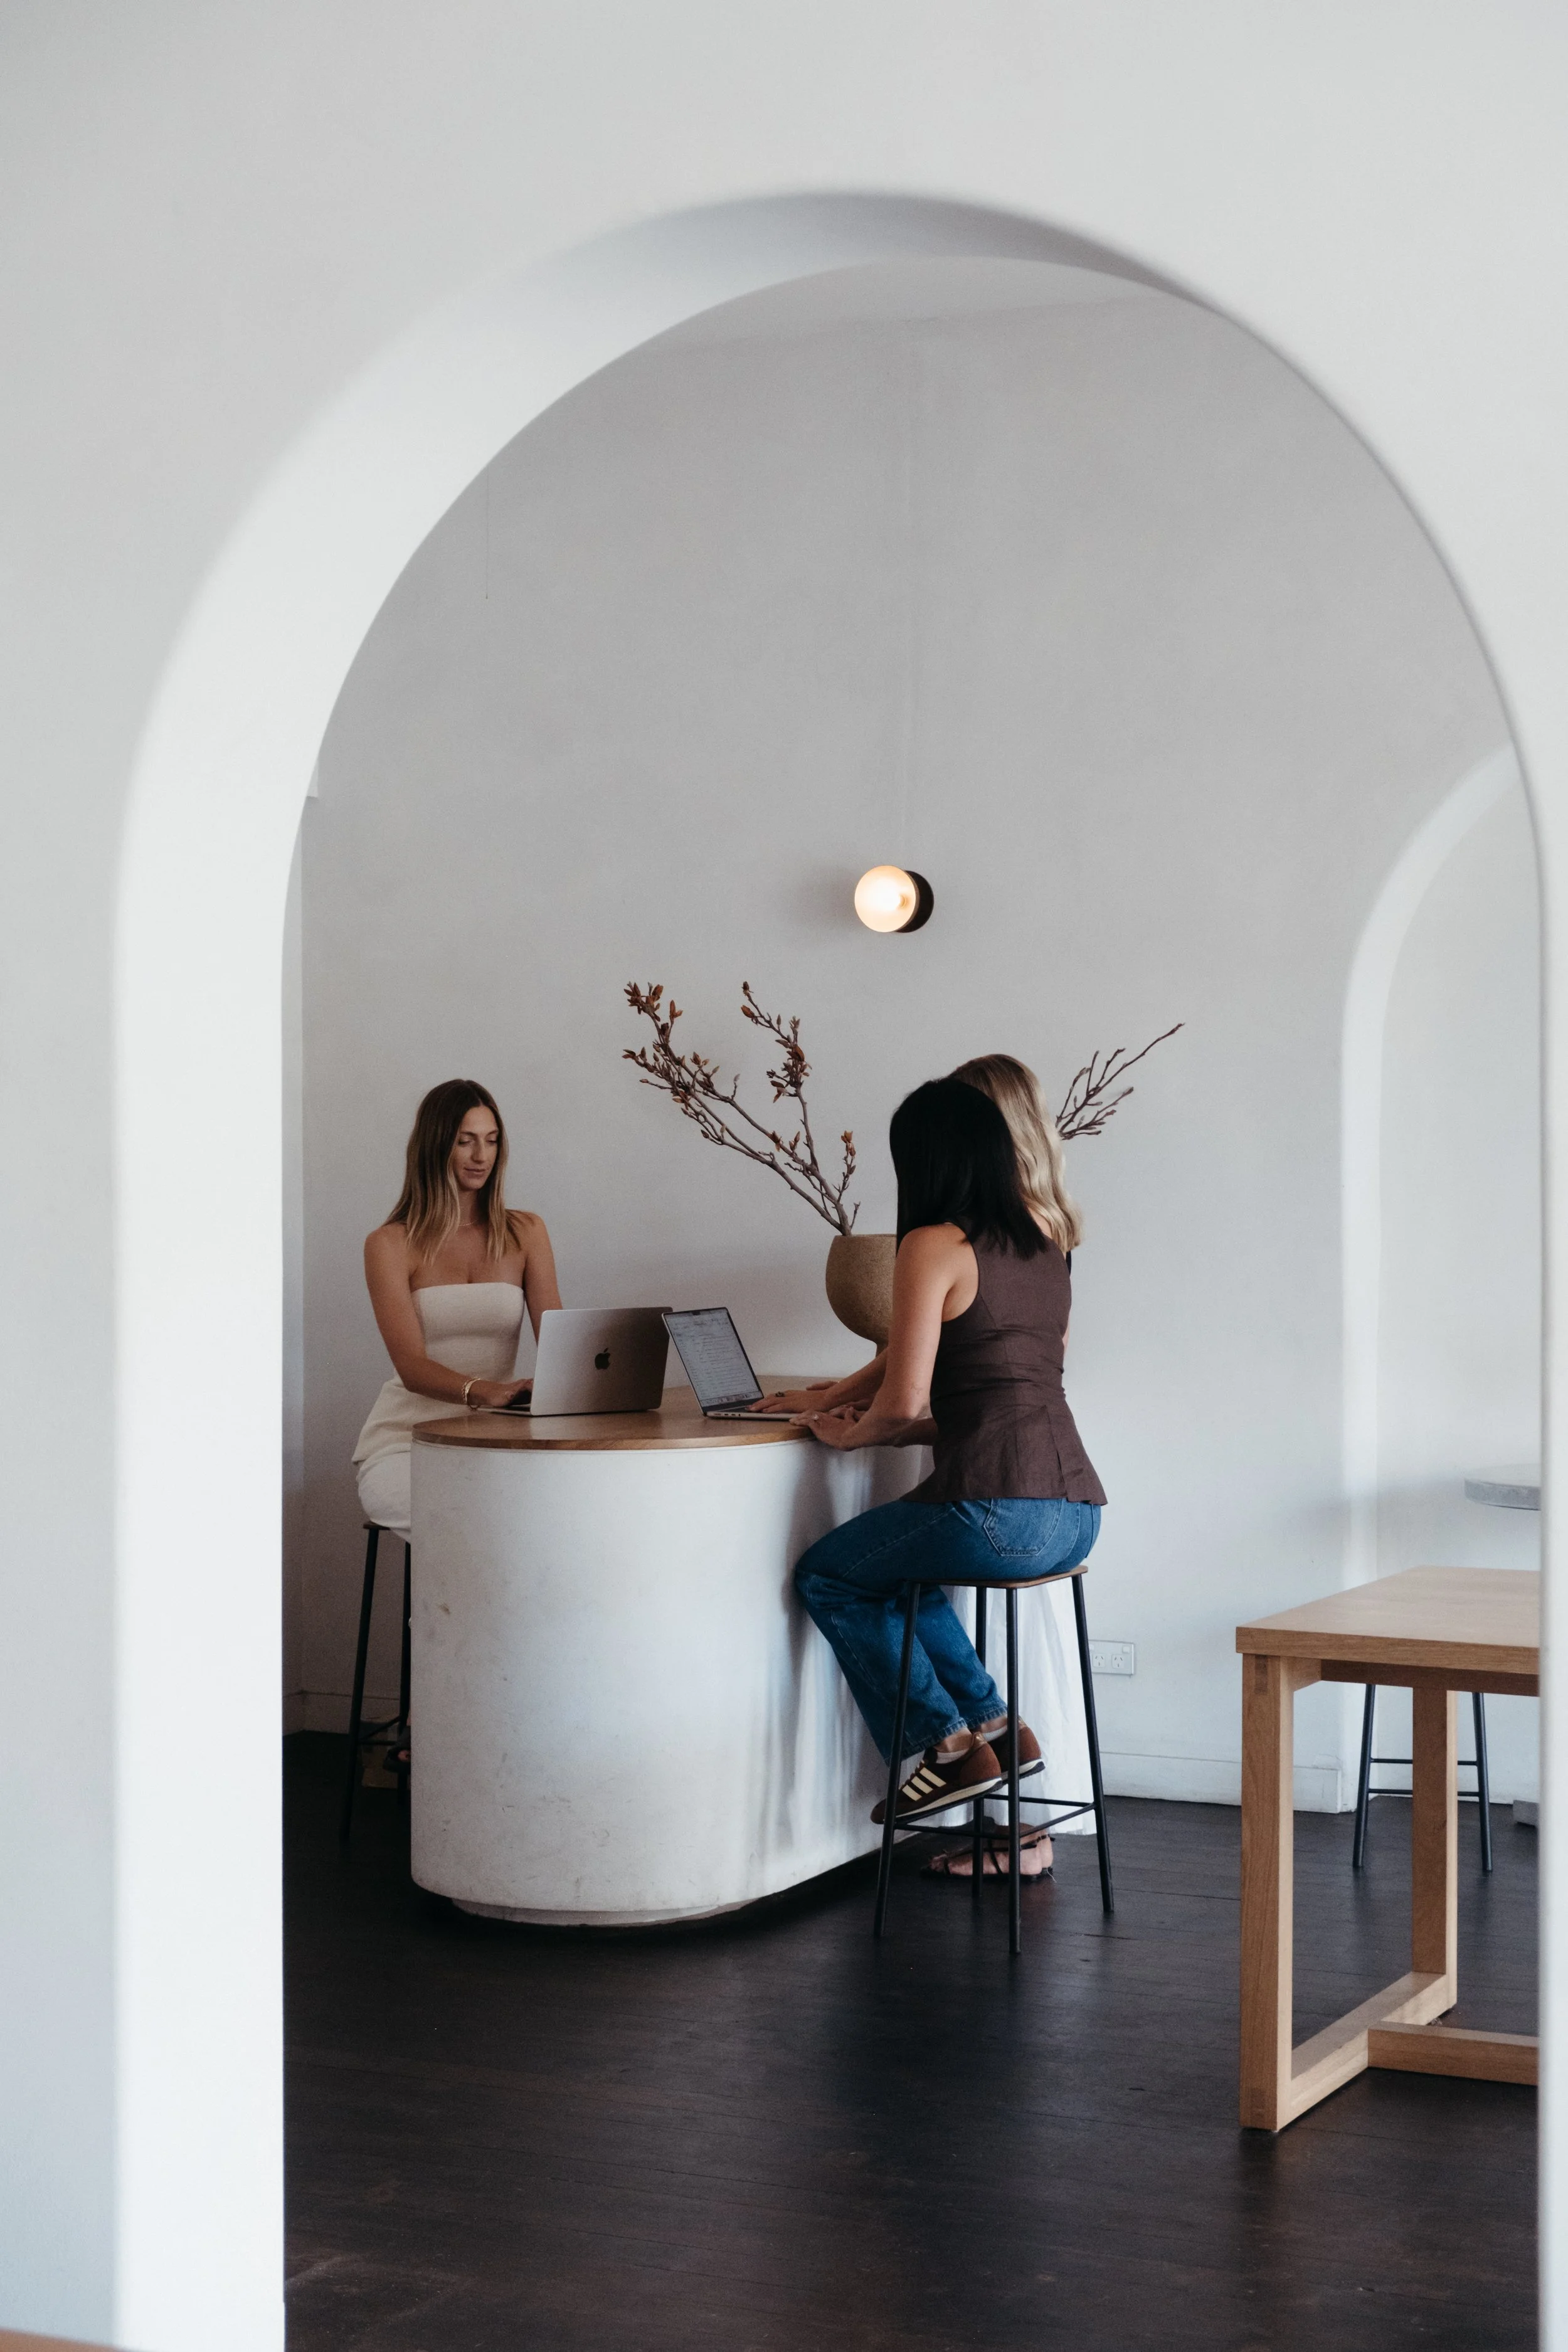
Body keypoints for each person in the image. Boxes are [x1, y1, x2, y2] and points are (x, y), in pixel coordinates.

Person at [792, 1078, 1104, 1825]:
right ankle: (997, 1726)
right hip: (1076, 1512)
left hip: (997, 1512)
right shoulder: (1045, 1244)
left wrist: (844, 1429)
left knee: (829, 1577)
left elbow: (904, 1405)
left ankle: (944, 1746)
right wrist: (851, 1402)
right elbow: (1007, 1395)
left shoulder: (935, 1244)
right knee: (900, 1576)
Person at [754, 1051, 1079, 1418]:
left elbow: (926, 1369)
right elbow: (944, 1339)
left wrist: (837, 1401)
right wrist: (856, 1391)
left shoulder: (958, 1240)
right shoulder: (1049, 1231)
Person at [352, 1079, 561, 1538]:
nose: (480, 1156)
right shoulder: (389, 1244)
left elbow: (562, 1346)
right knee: (473, 1525)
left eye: (491, 1141)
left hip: (493, 1442)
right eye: (465, 1141)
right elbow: (411, 1367)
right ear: (435, 1146)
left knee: (548, 1518)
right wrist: (485, 1391)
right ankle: (433, 1615)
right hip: (405, 1444)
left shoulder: (526, 1232)